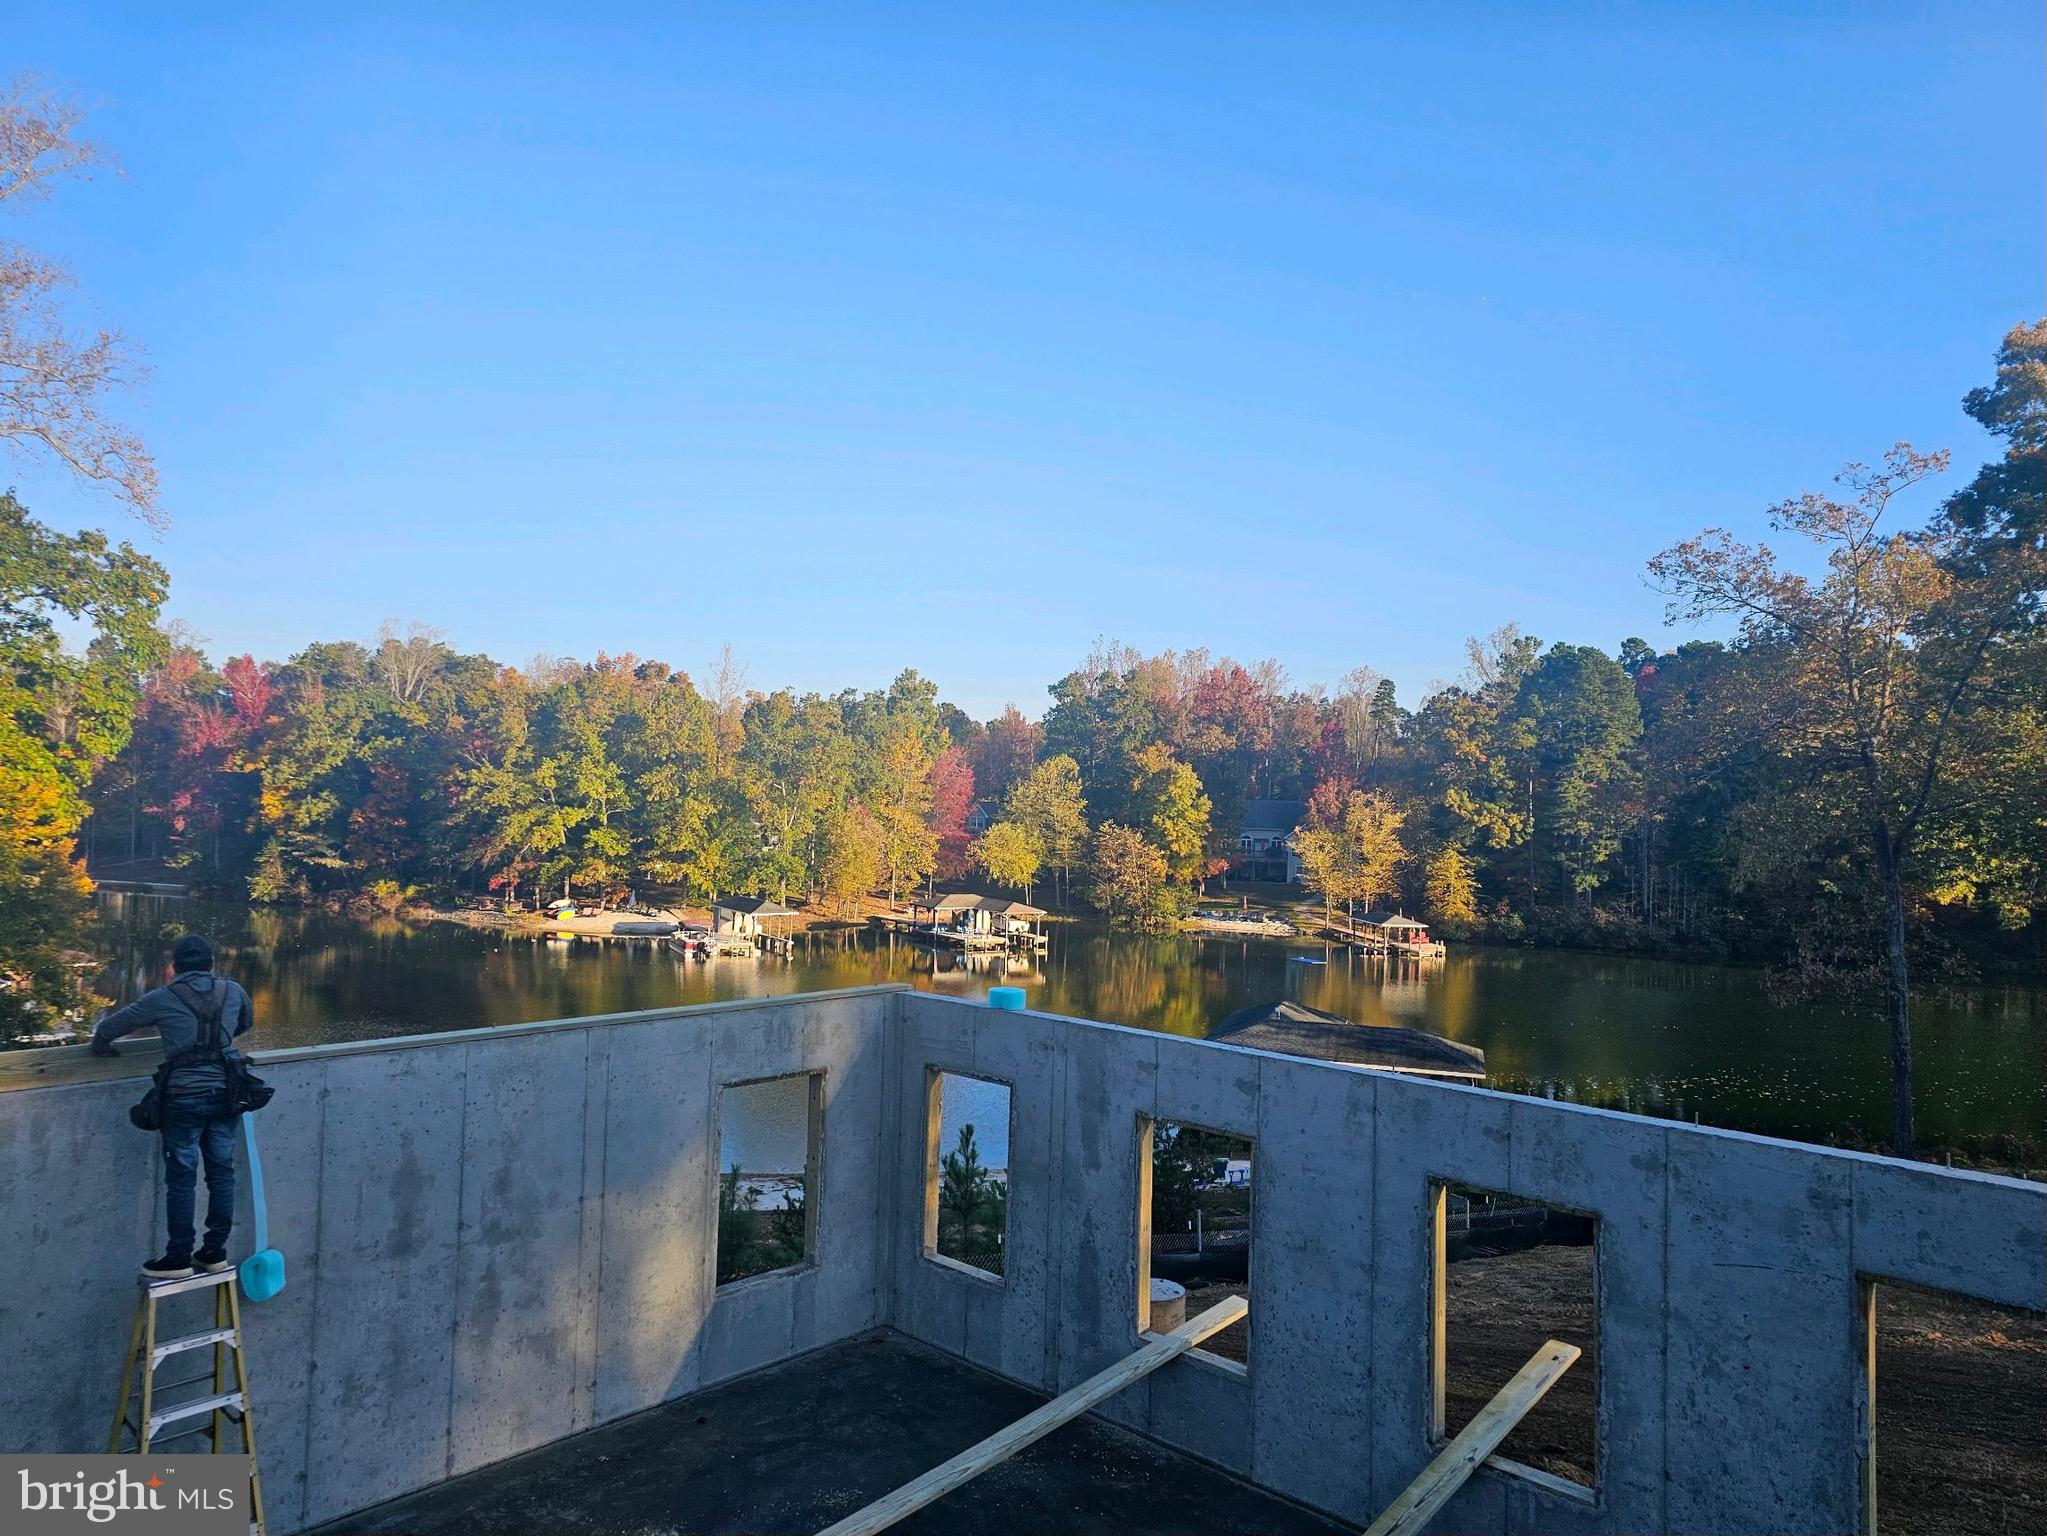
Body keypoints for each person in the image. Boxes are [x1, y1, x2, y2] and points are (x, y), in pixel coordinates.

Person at [89, 935, 255, 1280]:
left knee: (182, 1178)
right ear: (211, 964)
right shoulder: (234, 991)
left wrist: (102, 1046)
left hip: (183, 1098)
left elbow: (108, 1028)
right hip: (226, 1094)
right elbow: (245, 1023)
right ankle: (214, 1252)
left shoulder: (162, 998)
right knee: (222, 1174)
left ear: (175, 967)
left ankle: (178, 1257)